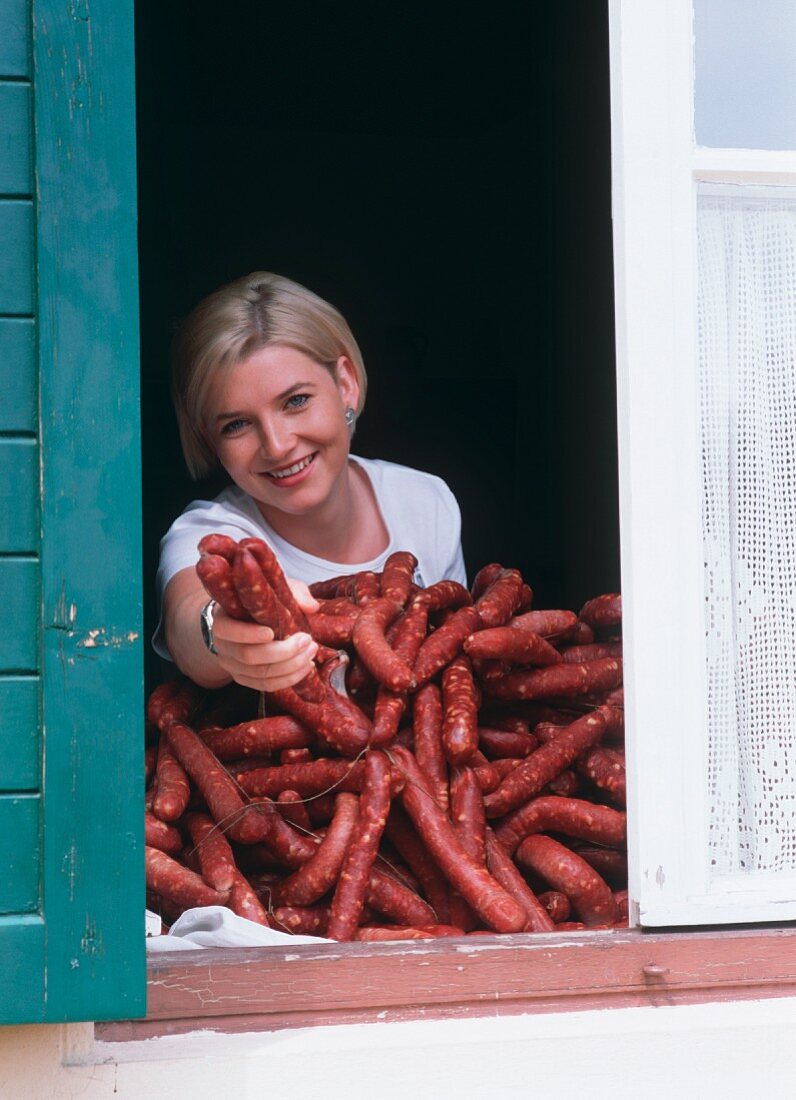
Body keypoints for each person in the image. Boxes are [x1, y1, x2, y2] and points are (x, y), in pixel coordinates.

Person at [154, 271, 466, 694]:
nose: (278, 446)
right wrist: (217, 631)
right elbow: (186, 620)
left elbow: (458, 660)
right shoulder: (210, 536)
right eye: (238, 424)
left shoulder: (426, 502)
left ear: (345, 385)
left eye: (296, 401)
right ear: (210, 439)